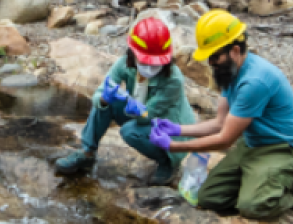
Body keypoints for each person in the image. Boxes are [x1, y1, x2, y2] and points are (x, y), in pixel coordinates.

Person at [148, 10, 293, 221]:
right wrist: (177, 129)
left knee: (253, 207)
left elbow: (225, 139)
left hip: (286, 149)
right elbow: (220, 123)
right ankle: (258, 182)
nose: (210, 63)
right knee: (209, 198)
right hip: (253, 145)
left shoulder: (254, 82)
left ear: (235, 50)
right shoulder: (229, 73)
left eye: (215, 56)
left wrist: (174, 145)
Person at [53, 17, 198, 185]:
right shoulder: (124, 65)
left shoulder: (173, 80)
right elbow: (100, 93)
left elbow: (149, 114)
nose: (150, 68)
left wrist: (137, 110)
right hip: (141, 113)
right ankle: (87, 153)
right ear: (133, 53)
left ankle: (168, 162)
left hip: (168, 125)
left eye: (155, 63)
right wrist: (104, 99)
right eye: (145, 62)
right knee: (105, 105)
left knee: (130, 131)